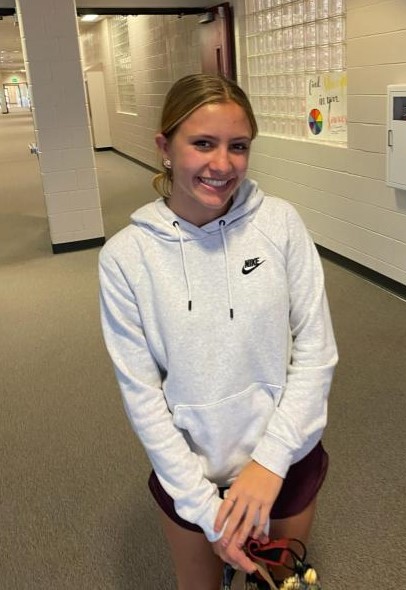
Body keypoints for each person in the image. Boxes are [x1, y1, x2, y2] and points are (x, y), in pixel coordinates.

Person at [99, 73, 338, 590]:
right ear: (165, 147)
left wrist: (270, 464)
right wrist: (209, 511)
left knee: (281, 581)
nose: (222, 164)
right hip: (192, 473)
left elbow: (317, 354)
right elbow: (142, 397)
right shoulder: (125, 258)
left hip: (283, 458)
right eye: (202, 143)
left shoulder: (281, 225)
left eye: (238, 146)